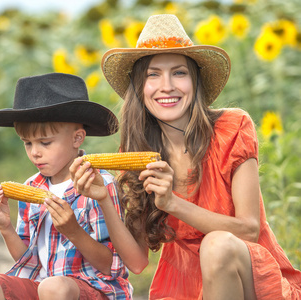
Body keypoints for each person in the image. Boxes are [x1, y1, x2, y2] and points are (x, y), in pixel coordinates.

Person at [70, 14, 301, 300]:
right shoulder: (136, 154)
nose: (167, 86)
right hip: (183, 285)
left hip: (251, 277)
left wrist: (172, 204)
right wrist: (104, 197)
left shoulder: (233, 128)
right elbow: (138, 261)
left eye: (179, 72)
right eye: (153, 75)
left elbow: (249, 230)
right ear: (140, 89)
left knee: (217, 246)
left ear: (195, 82)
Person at [0, 73, 133, 300]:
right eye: (27, 143)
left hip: (95, 290)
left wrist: (73, 231)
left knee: (53, 288)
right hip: (44, 287)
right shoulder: (32, 186)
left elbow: (112, 266)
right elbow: (28, 261)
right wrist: (5, 227)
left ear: (77, 138)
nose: (35, 152)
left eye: (45, 142)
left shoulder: (99, 185)